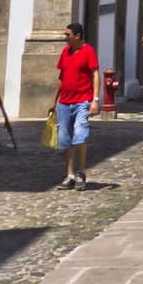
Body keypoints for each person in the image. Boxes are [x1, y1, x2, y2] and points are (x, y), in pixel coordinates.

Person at [51, 22, 100, 190]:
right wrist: (54, 101)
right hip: (64, 102)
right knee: (65, 139)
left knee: (80, 134)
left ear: (77, 36)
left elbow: (95, 74)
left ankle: (81, 172)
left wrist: (95, 99)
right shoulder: (65, 52)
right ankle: (70, 174)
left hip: (82, 101)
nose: (65, 38)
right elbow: (61, 76)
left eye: (67, 35)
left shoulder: (88, 51)